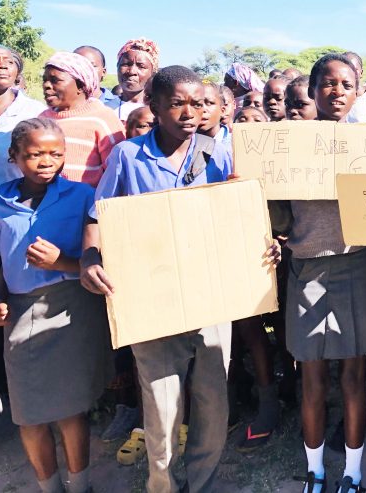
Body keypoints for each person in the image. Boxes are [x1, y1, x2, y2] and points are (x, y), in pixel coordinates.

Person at [79, 66, 275, 493]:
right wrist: (89, 258)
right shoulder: (128, 156)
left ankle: (201, 482)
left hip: (211, 297)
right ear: (155, 106)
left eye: (199, 103)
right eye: (178, 103)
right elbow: (99, 217)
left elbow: (237, 212)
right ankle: (162, 483)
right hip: (152, 299)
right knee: (162, 405)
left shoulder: (213, 152)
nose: (190, 112)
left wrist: (262, 243)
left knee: (211, 399)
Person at [277, 53, 366, 493]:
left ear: (358, 92)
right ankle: (315, 471)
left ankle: (352, 474)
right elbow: (271, 208)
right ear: (313, 89)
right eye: (327, 83)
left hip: (354, 263)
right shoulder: (286, 143)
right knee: (312, 377)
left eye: (346, 84)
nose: (337, 91)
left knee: (353, 376)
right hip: (306, 268)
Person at [0, 118, 109, 493]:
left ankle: (80, 486)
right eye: (34, 154)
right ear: (14, 156)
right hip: (21, 311)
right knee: (27, 415)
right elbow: (0, 259)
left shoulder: (81, 196)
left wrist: (60, 261)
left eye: (55, 154)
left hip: (70, 311)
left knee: (69, 409)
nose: (46, 161)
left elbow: (99, 264)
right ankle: (49, 488)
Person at [38, 51, 125, 187]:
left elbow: (117, 170)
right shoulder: (42, 119)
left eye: (55, 80)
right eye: (45, 80)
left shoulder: (103, 118)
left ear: (80, 86)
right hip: (47, 204)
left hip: (88, 204)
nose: (46, 85)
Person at [0, 44, 46, 186]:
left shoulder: (35, 113)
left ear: (17, 72)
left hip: (13, 205)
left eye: (9, 61)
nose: (2, 65)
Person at [105, 38, 159, 121]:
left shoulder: (159, 112)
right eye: (126, 64)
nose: (131, 71)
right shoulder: (104, 110)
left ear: (153, 72)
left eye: (141, 66)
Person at [198, 82, 231, 153]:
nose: (202, 109)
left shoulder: (235, 145)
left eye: (209, 103)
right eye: (197, 104)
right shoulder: (179, 145)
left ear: (222, 111)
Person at [342, 51, 366, 123]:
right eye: (346, 69)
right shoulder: (335, 97)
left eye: (354, 69)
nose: (350, 73)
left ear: (361, 73)